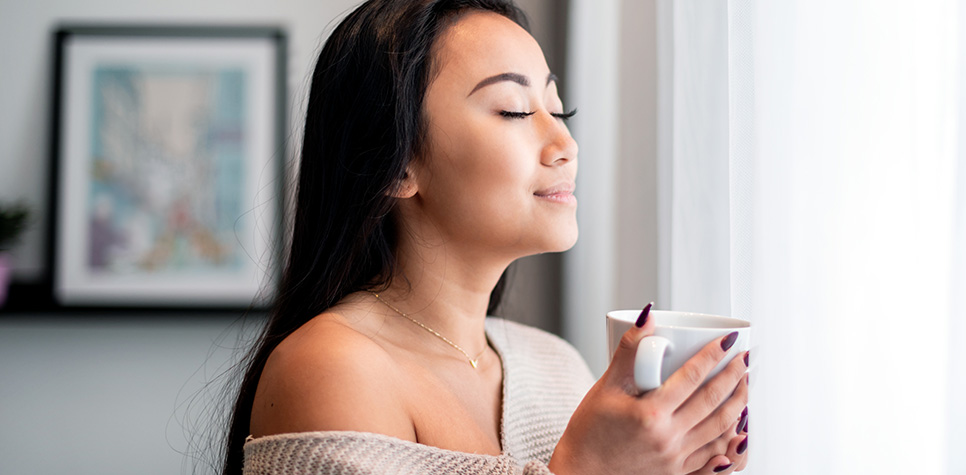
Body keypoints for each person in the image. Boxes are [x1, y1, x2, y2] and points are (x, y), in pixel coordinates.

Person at [222, 1, 750, 473]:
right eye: (515, 110)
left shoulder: (556, 367)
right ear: (396, 165)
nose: (565, 142)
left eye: (558, 109)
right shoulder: (333, 367)